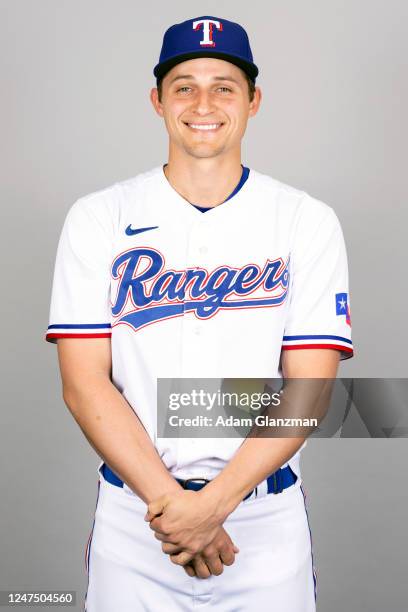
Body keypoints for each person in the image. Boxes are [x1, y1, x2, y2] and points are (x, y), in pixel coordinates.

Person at [46, 15, 354, 611]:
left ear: (253, 100)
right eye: (184, 85)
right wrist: (178, 510)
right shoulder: (99, 216)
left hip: (263, 523)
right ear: (158, 101)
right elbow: (84, 384)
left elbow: (310, 388)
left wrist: (212, 506)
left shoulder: (304, 219)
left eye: (224, 86)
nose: (203, 102)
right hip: (139, 520)